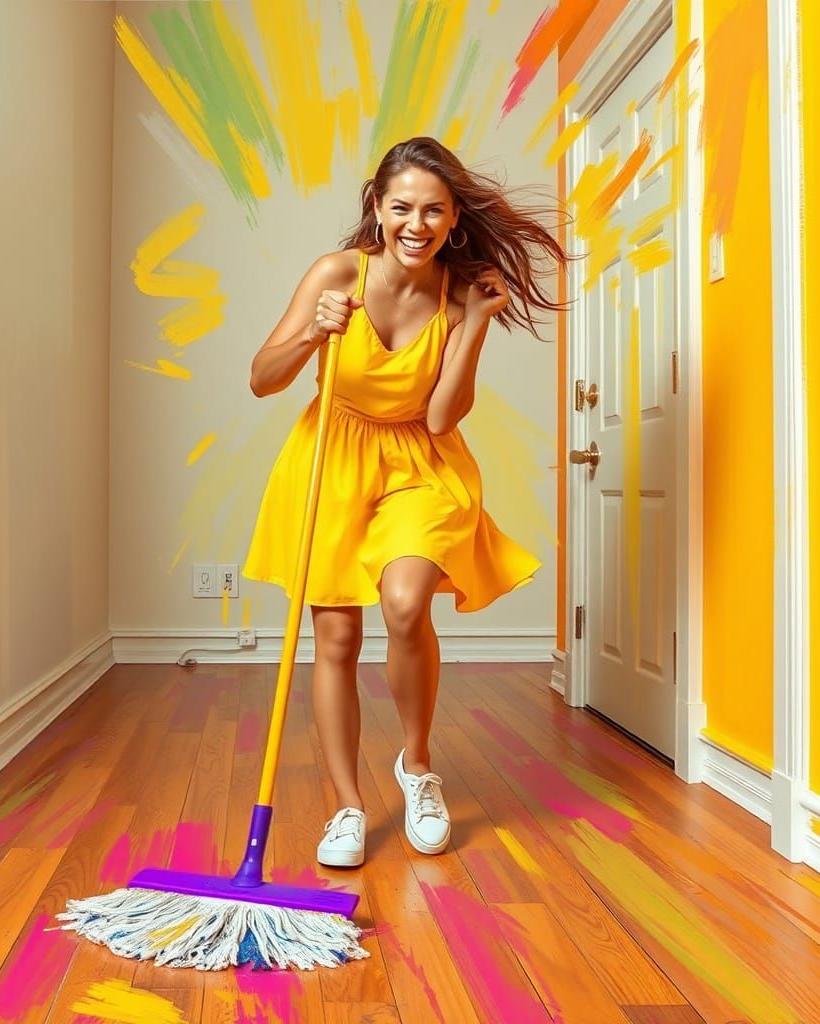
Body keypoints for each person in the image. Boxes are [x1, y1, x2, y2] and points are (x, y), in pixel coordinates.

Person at [243, 136, 570, 868]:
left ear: (454, 219)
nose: (415, 225)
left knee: (404, 602)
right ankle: (347, 808)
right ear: (377, 208)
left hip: (420, 461)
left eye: (433, 211)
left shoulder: (457, 295)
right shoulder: (336, 273)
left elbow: (442, 417)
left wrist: (477, 324)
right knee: (335, 638)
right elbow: (262, 378)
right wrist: (311, 336)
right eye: (401, 208)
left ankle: (417, 769)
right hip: (331, 457)